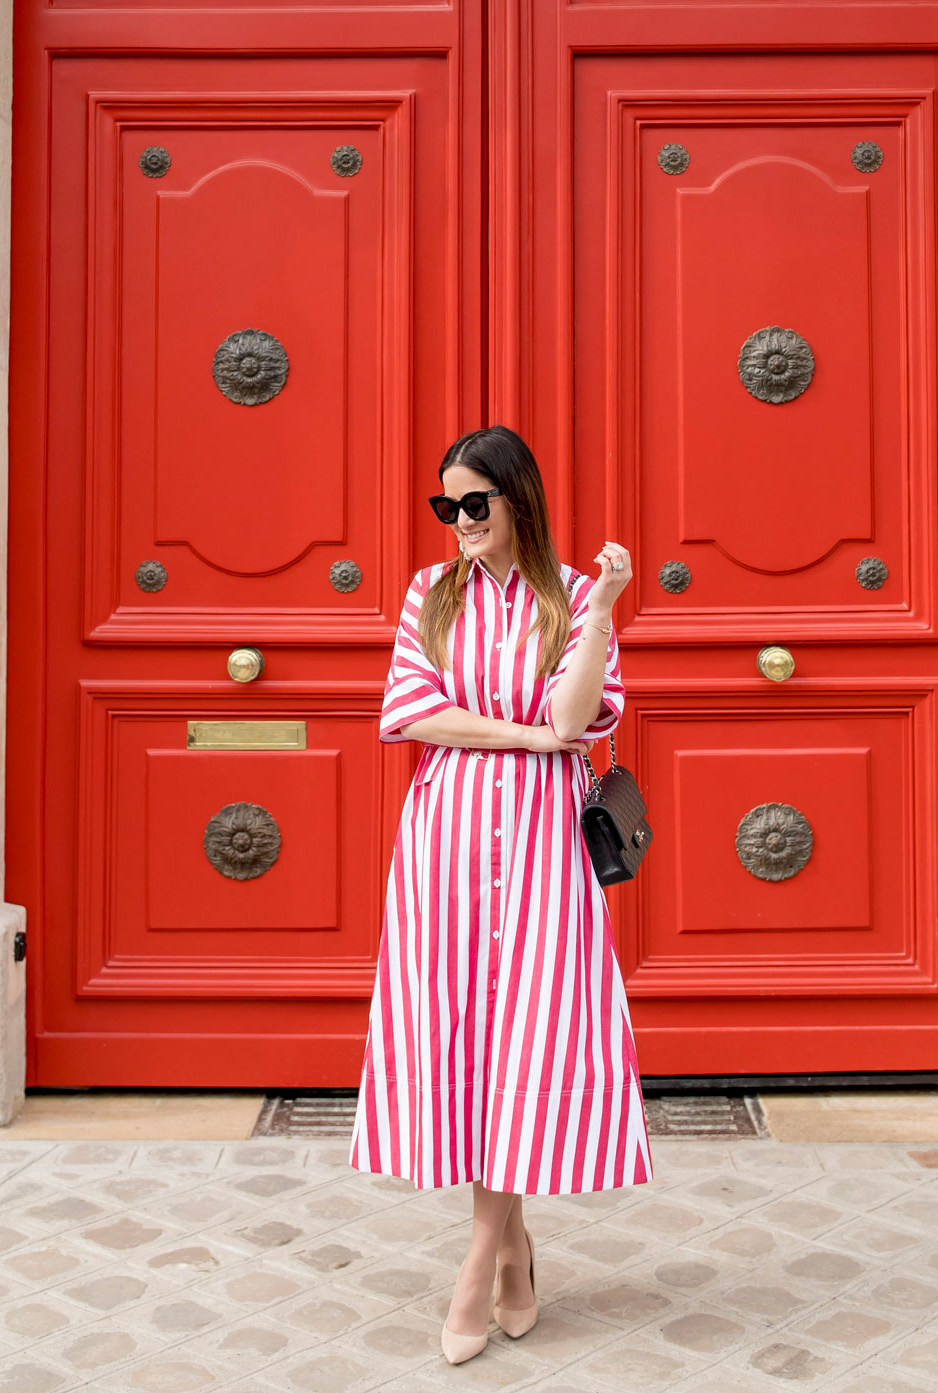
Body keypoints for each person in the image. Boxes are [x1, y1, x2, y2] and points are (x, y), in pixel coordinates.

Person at [349, 424, 652, 1363]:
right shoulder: (426, 597)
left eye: (474, 503)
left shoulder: (568, 600)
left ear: (518, 498)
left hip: (543, 851)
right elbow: (410, 712)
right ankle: (515, 1248)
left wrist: (602, 602)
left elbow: (574, 715)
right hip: (444, 847)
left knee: (528, 1032)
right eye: (446, 506)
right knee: (467, 1040)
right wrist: (521, 742)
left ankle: (482, 1257)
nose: (458, 522)